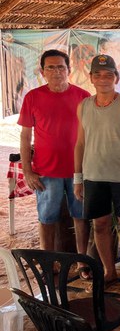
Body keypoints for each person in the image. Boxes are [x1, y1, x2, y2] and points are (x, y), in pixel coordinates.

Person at [73, 54, 120, 297]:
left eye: (108, 75)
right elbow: (80, 144)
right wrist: (78, 178)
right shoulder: (84, 106)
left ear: (116, 77)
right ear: (91, 78)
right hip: (94, 175)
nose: (103, 79)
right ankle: (109, 271)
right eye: (98, 74)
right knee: (100, 224)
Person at [18, 49, 90, 259]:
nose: (56, 71)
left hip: (79, 171)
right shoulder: (32, 97)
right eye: (50, 67)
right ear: (42, 72)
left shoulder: (83, 97)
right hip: (46, 171)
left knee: (81, 217)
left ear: (69, 70)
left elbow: (93, 133)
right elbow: (25, 137)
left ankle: (82, 261)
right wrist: (27, 171)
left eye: (61, 67)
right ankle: (48, 262)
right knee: (47, 218)